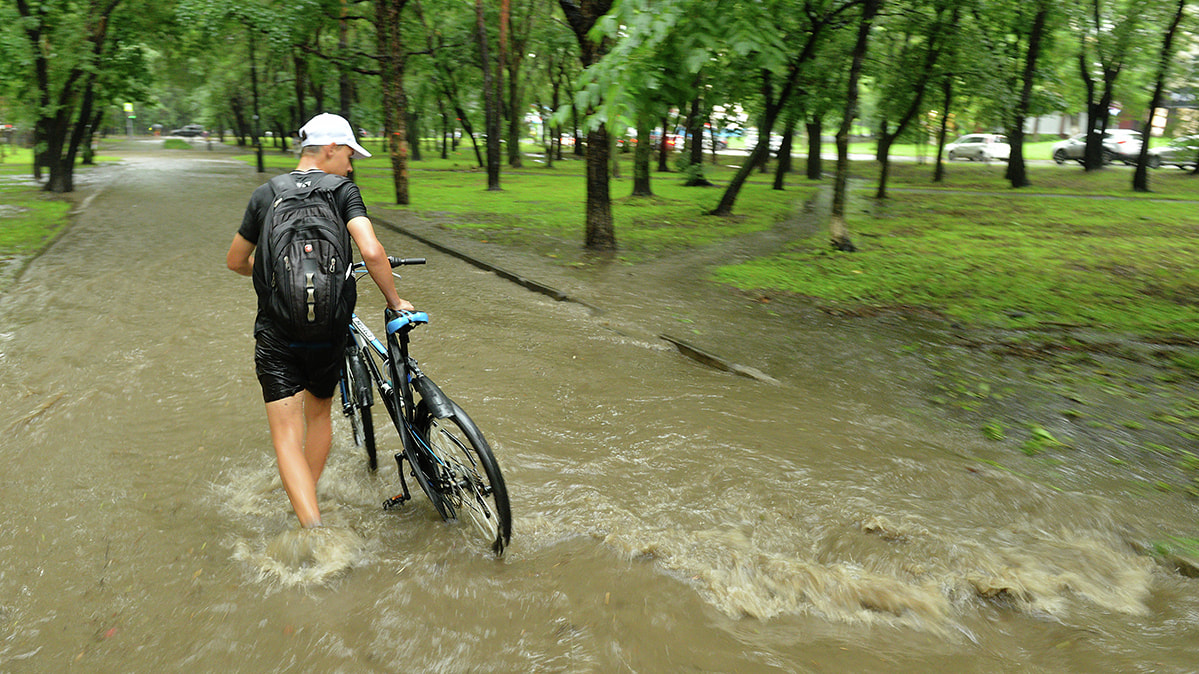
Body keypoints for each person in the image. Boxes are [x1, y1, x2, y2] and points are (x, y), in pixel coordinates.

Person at [226, 112, 413, 529]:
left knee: (286, 436)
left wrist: (266, 274)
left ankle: (312, 528)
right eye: (348, 154)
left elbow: (235, 261)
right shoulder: (343, 190)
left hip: (277, 331)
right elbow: (371, 250)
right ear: (330, 149)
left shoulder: (265, 194)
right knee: (318, 416)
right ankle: (306, 502)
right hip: (328, 331)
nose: (350, 165)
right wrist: (395, 301)